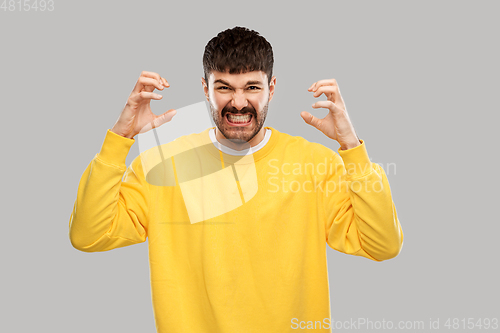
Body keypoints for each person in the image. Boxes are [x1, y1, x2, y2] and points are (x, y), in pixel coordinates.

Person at [69, 26, 403, 333]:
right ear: (205, 89)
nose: (238, 102)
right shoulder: (161, 164)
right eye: (224, 88)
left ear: (271, 88)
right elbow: (88, 235)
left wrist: (351, 147)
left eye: (252, 88)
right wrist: (120, 137)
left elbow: (383, 245)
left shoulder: (314, 164)